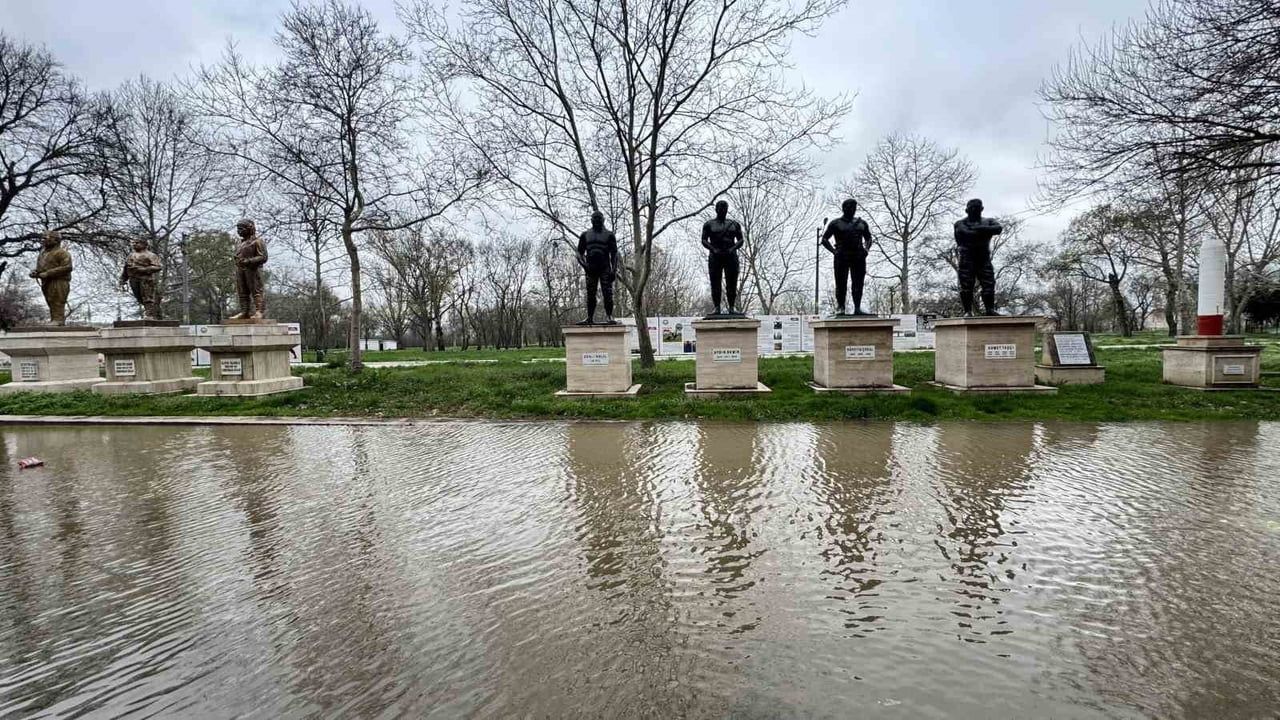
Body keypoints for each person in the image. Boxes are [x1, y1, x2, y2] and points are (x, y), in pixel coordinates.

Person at [821, 199, 874, 315]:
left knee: (858, 283)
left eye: (855, 208)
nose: (853, 210)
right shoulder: (835, 223)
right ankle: (841, 307)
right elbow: (824, 239)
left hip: (858, 256)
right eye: (851, 208)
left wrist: (866, 249)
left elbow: (869, 238)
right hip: (842, 256)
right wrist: (834, 251)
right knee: (841, 283)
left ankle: (857, 308)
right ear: (844, 208)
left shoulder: (862, 223)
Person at [953, 198, 1003, 316]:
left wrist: (980, 229)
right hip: (967, 259)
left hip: (983, 258)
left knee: (989, 283)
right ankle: (967, 311)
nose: (975, 211)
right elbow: (965, 235)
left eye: (977, 209)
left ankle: (989, 309)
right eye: (972, 209)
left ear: (982, 209)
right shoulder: (960, 224)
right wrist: (985, 232)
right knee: (966, 285)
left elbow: (998, 229)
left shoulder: (989, 221)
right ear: (967, 210)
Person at [701, 200, 745, 316]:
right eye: (720, 208)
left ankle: (731, 307)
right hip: (715, 256)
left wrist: (733, 248)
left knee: (732, 282)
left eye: (725, 208)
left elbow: (741, 240)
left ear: (727, 209)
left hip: (731, 256)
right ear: (716, 209)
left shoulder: (734, 224)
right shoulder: (709, 224)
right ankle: (717, 307)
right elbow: (704, 240)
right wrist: (713, 249)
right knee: (715, 282)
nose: (723, 210)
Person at [575, 211, 620, 324]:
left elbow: (614, 254)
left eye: (599, 219)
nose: (597, 221)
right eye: (595, 219)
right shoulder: (585, 235)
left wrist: (614, 270)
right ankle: (589, 317)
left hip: (605, 267)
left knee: (607, 293)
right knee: (590, 293)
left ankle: (609, 316)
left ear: (603, 220)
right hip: (591, 268)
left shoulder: (609, 235)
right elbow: (579, 253)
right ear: (591, 220)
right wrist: (585, 266)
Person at [30, 230, 73, 325]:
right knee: (50, 300)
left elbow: (67, 267)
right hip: (46, 281)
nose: (42, 240)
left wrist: (48, 273)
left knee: (57, 300)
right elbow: (41, 267)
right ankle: (54, 319)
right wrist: (36, 272)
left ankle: (58, 320)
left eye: (45, 238)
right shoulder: (42, 253)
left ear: (56, 240)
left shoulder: (62, 253)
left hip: (59, 281)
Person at [229, 219, 268, 320]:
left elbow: (263, 257)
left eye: (241, 229)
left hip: (253, 270)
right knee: (242, 291)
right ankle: (244, 311)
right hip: (240, 269)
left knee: (256, 291)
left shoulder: (257, 242)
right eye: (238, 229)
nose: (239, 231)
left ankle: (259, 311)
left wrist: (249, 261)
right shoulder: (240, 243)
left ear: (249, 229)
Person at [119, 238, 163, 320]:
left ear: (144, 244)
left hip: (145, 279)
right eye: (134, 243)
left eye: (137, 243)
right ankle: (149, 311)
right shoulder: (131, 255)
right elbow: (126, 268)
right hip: (133, 279)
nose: (134, 244)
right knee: (138, 297)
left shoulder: (151, 255)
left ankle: (150, 314)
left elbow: (158, 267)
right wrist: (123, 279)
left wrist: (143, 269)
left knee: (147, 296)